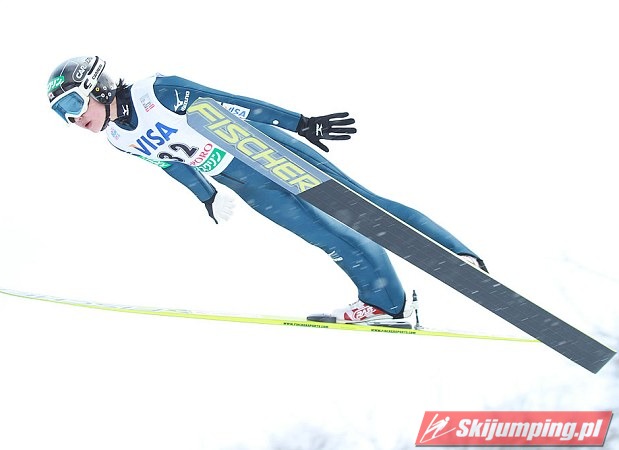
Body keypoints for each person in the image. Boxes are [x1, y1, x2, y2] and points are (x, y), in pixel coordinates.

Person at [46, 55, 487, 325]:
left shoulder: (156, 93)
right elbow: (168, 163)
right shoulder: (117, 138)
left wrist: (300, 123)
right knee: (327, 237)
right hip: (243, 182)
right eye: (62, 115)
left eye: (73, 104)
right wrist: (207, 196)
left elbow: (231, 102)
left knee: (361, 208)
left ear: (97, 86)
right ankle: (387, 304)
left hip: (262, 151)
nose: (74, 119)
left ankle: (454, 255)